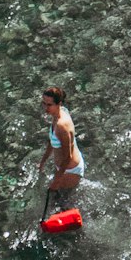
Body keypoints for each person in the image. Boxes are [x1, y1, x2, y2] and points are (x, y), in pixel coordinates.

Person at [40, 86, 83, 217]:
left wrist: (56, 180)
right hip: (64, 167)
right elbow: (51, 141)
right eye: (44, 103)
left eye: (49, 104)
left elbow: (68, 157)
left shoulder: (61, 126)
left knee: (61, 201)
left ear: (59, 104)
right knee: (58, 197)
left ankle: (76, 226)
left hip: (70, 169)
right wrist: (43, 160)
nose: (46, 108)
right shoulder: (59, 113)